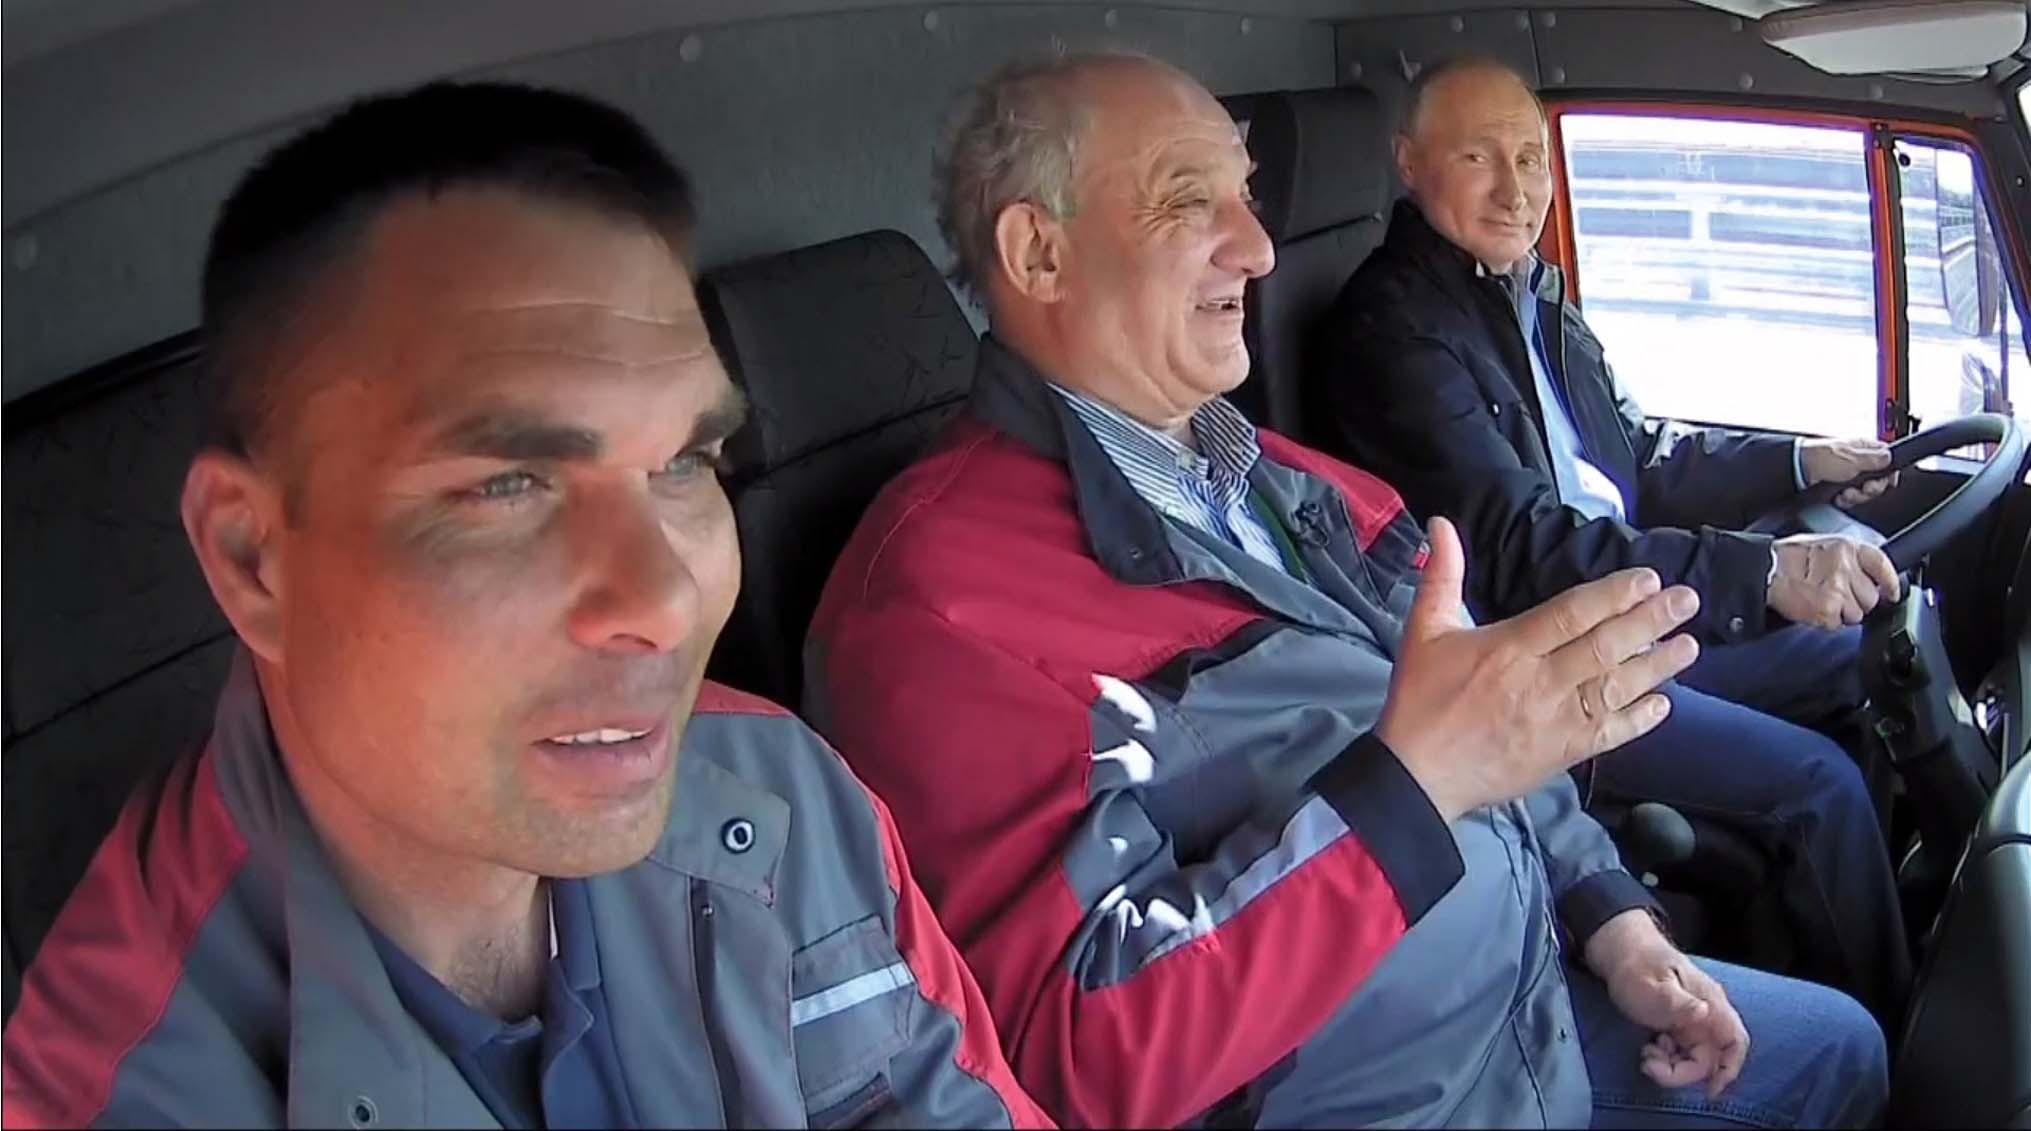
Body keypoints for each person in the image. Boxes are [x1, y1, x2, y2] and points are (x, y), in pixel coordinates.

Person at [802, 51, 1888, 1130]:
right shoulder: (935, 607)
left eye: (1247, 196)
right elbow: (1071, 1056)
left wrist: (1610, 917)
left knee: (1839, 1050)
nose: (1257, 246)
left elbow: (1484, 712)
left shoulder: (1297, 484)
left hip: (1524, 1005)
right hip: (1392, 1098)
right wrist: (1406, 792)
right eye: (1189, 201)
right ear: (1040, 253)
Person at [0, 82, 1050, 1130]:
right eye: (507, 484)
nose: (667, 601)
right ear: (254, 560)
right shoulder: (121, 1090)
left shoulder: (774, 789)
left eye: (685, 462)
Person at [1319, 55, 1910, 1023]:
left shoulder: (1531, 293)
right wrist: (1760, 571)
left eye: (1529, 157)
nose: (1515, 190)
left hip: (1629, 609)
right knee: (1823, 786)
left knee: (1862, 655)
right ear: (1409, 163)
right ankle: (1891, 1043)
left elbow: (1640, 456)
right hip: (1552, 663)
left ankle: (1826, 922)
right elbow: (1520, 551)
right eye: (1477, 157)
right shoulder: (1392, 334)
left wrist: (1801, 462)